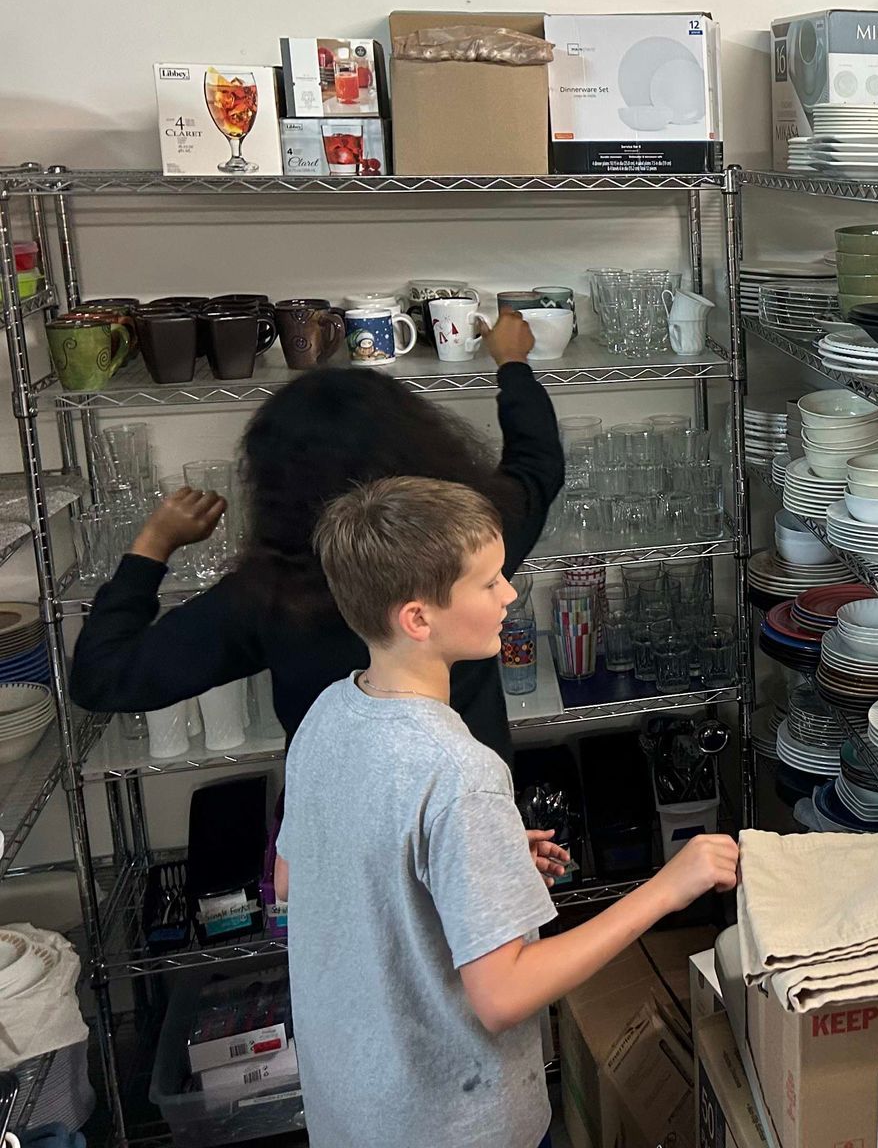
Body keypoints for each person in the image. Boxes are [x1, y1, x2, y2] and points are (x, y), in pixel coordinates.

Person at [281, 475, 739, 1147]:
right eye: (488, 581)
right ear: (418, 619)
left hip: (352, 1112)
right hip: (453, 1126)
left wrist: (470, 863)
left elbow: (295, 878)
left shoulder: (328, 712)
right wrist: (668, 888)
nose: (510, 594)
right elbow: (503, 997)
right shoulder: (459, 771)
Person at [70, 310, 562, 763]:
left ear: (276, 484)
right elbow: (537, 463)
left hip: (326, 818)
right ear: (424, 446)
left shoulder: (268, 596)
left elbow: (104, 678)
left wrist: (153, 545)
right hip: (467, 802)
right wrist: (512, 362)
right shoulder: (465, 546)